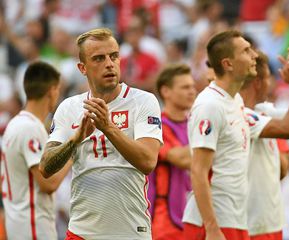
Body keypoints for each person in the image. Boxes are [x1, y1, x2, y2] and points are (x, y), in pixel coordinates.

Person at [182, 30, 289, 240]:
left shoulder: (235, 102)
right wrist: (212, 228)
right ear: (228, 64)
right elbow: (198, 172)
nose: (255, 56)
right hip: (214, 223)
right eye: (246, 51)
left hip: (236, 219)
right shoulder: (210, 105)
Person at [39, 28, 162, 239]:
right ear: (82, 68)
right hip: (82, 232)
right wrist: (75, 140)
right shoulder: (70, 107)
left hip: (131, 231)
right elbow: (45, 168)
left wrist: (108, 127)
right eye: (98, 58)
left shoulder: (143, 101)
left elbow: (148, 161)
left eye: (114, 56)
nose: (109, 64)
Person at [240, 48, 289, 240]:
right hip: (245, 218)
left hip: (266, 217)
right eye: (269, 78)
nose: (273, 84)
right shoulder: (237, 113)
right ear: (258, 83)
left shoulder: (263, 110)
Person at [0, 61, 72, 240]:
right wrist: (72, 154)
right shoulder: (31, 129)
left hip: (18, 222)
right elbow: (48, 184)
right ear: (52, 90)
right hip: (33, 226)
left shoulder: (15, 124)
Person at [148, 64, 196, 240]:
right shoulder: (156, 125)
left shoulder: (196, 122)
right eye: (185, 87)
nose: (192, 91)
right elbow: (180, 158)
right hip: (165, 220)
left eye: (192, 86)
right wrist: (218, 144)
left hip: (195, 215)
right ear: (166, 91)